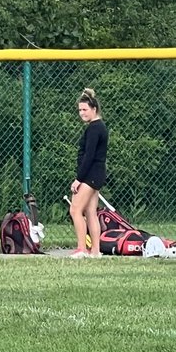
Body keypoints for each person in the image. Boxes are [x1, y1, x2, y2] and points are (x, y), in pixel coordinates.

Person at [70, 87, 108, 258]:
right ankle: (96, 251)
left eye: (85, 109)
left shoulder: (94, 128)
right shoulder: (100, 127)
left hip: (90, 175)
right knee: (91, 212)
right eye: (80, 110)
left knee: (75, 210)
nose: (82, 113)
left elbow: (89, 155)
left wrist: (79, 179)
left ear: (94, 109)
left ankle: (82, 249)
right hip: (97, 174)